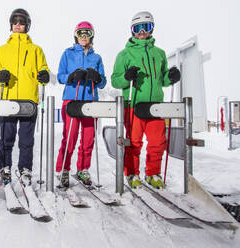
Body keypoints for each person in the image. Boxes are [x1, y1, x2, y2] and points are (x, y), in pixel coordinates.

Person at [111, 11, 181, 189]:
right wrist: (127, 77)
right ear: (132, 31)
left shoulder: (159, 53)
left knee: (158, 143)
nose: (142, 32)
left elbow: (162, 80)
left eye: (146, 27)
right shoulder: (124, 54)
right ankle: (132, 174)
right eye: (137, 28)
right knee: (133, 143)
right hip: (133, 105)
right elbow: (115, 80)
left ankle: (153, 173)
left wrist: (171, 77)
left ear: (152, 28)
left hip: (156, 106)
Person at [0, 8, 50, 187]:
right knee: (6, 138)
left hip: (28, 101)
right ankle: (4, 167)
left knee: (26, 140)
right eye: (15, 21)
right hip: (7, 100)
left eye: (21, 21)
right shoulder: (2, 50)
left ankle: (25, 169)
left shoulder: (36, 50)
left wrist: (44, 75)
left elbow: (43, 69)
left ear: (27, 25)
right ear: (11, 24)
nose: (17, 24)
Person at [55, 21, 106, 187]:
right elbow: (60, 76)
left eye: (88, 33)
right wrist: (71, 77)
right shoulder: (67, 54)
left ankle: (83, 169)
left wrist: (97, 78)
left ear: (92, 36)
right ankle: (63, 169)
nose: (84, 37)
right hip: (72, 100)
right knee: (70, 138)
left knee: (88, 139)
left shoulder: (96, 57)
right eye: (80, 33)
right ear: (76, 36)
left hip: (90, 101)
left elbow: (103, 82)